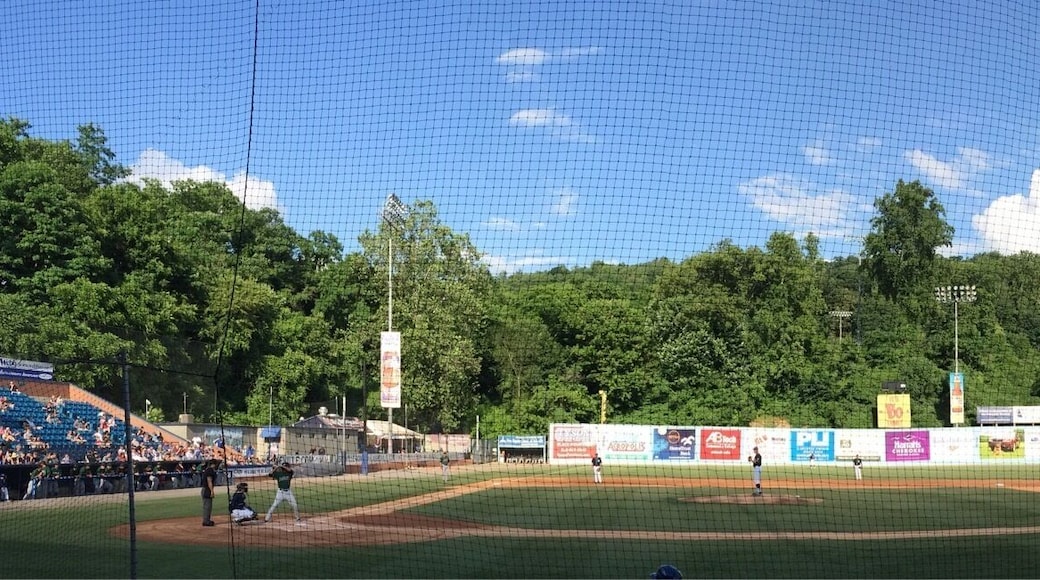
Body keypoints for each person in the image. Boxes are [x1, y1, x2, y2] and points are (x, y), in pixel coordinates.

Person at [200, 459, 219, 527]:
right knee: (207, 506)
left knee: (207, 506)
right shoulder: (210, 470)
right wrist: (212, 491)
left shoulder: (208, 469)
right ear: (213, 464)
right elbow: (209, 481)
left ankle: (206, 520)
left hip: (206, 489)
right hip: (207, 489)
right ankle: (206, 521)